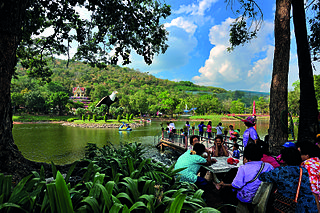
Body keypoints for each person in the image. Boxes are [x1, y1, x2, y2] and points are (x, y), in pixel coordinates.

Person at [259, 148, 318, 213]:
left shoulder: (280, 171)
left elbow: (263, 177)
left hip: (287, 205)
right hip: (306, 205)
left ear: (284, 159)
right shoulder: (304, 171)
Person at [219, 144, 274, 212]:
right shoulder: (269, 166)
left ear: (246, 156)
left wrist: (224, 185)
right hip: (263, 197)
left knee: (226, 192)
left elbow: (236, 185)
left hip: (246, 198)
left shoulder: (243, 168)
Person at [298, 141, 320, 212]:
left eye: (300, 154)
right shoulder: (317, 162)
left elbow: (314, 190)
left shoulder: (308, 166)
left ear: (307, 155)